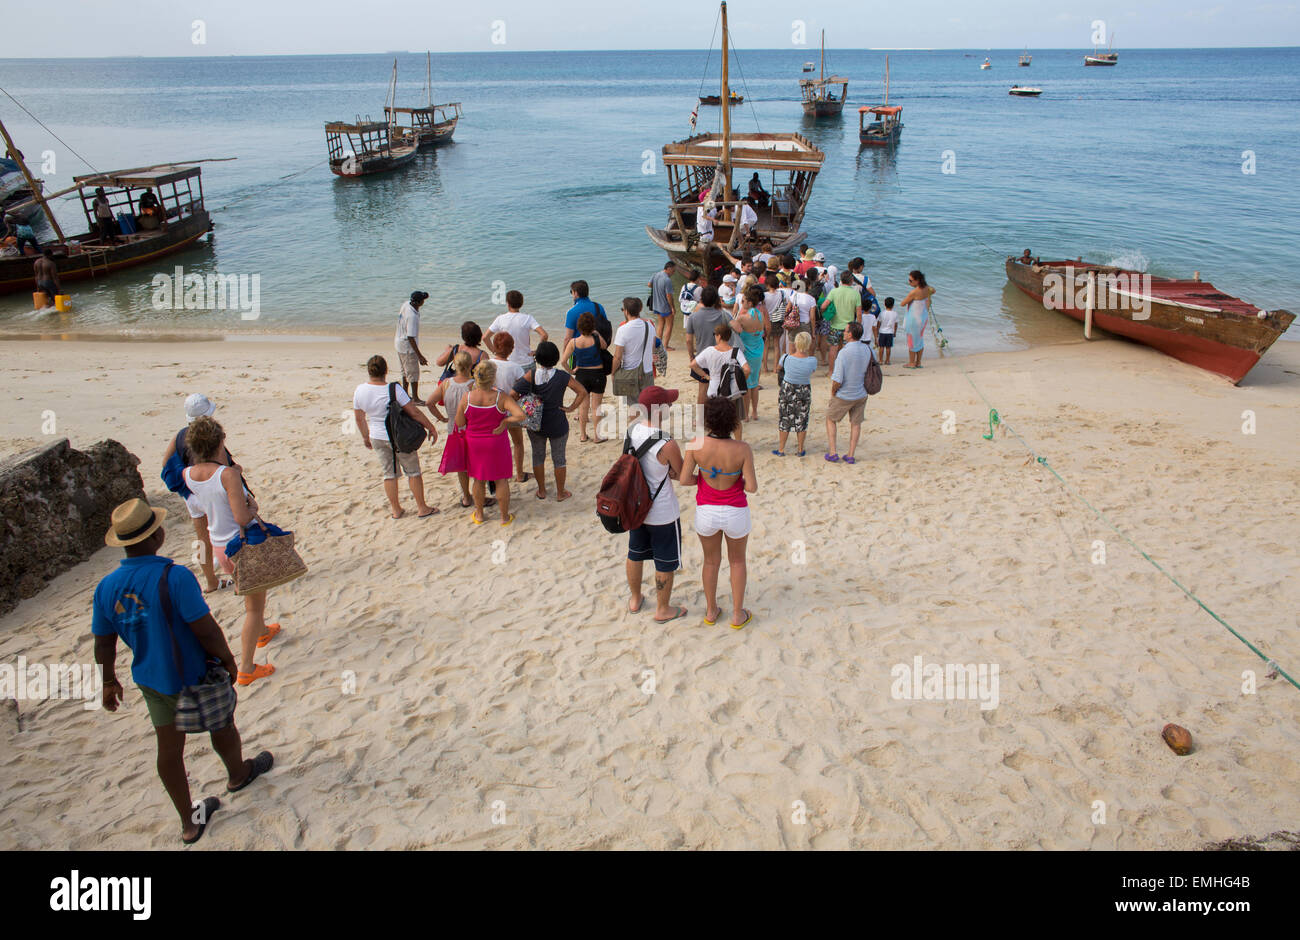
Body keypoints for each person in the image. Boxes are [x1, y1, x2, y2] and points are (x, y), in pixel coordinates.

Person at [93, 497, 273, 845]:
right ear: (155, 537)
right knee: (222, 724)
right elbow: (204, 628)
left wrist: (107, 681)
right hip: (195, 673)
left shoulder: (106, 588)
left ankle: (189, 822)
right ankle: (237, 774)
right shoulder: (173, 576)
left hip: (152, 678)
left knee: (169, 750)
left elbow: (104, 643)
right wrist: (228, 659)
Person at [182, 416, 284, 686]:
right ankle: (247, 667)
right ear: (219, 442)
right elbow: (241, 516)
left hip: (218, 544)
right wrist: (252, 508)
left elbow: (208, 501)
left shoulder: (188, 474)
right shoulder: (227, 475)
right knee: (253, 606)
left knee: (250, 596)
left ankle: (262, 630)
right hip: (240, 545)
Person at [680, 396, 758, 630]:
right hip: (735, 510)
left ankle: (711, 610)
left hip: (707, 510)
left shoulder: (696, 444)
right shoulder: (742, 448)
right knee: (737, 561)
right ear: (733, 421)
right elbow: (752, 487)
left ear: (708, 421)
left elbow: (684, 479)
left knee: (711, 562)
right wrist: (735, 480)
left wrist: (704, 479)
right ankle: (737, 614)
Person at [161, 393, 236, 594]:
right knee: (228, 532)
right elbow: (225, 466)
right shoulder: (211, 438)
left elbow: (165, 463)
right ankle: (238, 574)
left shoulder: (180, 436)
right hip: (210, 490)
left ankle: (210, 580)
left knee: (201, 539)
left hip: (191, 492)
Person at [625, 385, 687, 622]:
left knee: (635, 553)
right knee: (664, 560)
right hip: (661, 510)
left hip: (636, 506)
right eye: (668, 404)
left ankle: (635, 598)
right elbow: (682, 475)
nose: (671, 406)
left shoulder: (632, 431)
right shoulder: (666, 442)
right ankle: (663, 609)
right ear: (660, 410)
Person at [353, 354, 441, 519]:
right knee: (413, 471)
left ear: (369, 371)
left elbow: (359, 418)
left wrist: (366, 437)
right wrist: (430, 427)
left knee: (389, 474)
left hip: (377, 436)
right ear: (385, 371)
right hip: (398, 436)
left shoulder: (360, 390)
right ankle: (422, 507)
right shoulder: (393, 389)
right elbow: (414, 412)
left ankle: (396, 509)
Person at [456, 361, 527, 526]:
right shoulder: (500, 397)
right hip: (496, 442)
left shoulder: (467, 397)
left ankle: (479, 515)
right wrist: (505, 421)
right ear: (493, 378)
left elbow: (460, 422)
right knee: (501, 479)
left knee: (478, 479)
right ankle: (504, 517)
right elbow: (521, 415)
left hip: (474, 442)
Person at [513, 341, 586, 501]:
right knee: (559, 458)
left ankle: (542, 491)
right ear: (555, 358)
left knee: (538, 456)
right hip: (557, 422)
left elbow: (513, 393)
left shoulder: (531, 375)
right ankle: (560, 493)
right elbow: (582, 392)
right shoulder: (562, 376)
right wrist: (571, 408)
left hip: (536, 423)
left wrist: (523, 408)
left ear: (537, 358)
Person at [427, 350, 477, 508]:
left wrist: (441, 417)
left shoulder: (446, 383)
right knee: (474, 463)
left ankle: (466, 496)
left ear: (455, 365)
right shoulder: (473, 385)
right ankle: (476, 494)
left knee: (461, 465)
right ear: (470, 366)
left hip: (453, 428)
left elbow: (429, 402)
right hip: (471, 428)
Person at [690, 321, 750, 441]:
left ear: (719, 336)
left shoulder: (709, 351)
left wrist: (706, 376)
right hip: (731, 391)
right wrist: (739, 381)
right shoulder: (735, 351)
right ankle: (738, 442)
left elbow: (693, 365)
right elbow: (747, 369)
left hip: (714, 390)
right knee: (736, 419)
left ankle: (714, 442)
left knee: (713, 419)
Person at [824, 321, 872, 464]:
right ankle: (851, 454)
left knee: (830, 419)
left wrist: (833, 392)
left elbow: (837, 379)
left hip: (845, 394)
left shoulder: (844, 352)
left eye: (845, 331)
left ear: (850, 334)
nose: (843, 333)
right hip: (861, 392)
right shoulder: (867, 349)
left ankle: (833, 452)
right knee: (856, 423)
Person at [561, 310, 609, 443]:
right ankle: (597, 436)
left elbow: (563, 361)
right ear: (593, 326)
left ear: (579, 327)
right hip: (598, 374)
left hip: (582, 375)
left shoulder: (574, 342)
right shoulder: (596, 337)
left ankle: (583, 435)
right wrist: (597, 333)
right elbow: (604, 346)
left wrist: (571, 371)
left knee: (583, 407)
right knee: (596, 407)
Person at [488, 332, 529, 484]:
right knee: (518, 442)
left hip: (492, 410)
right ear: (511, 349)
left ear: (494, 347)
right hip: (512, 411)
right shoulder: (516, 367)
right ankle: (519, 474)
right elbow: (521, 390)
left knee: (493, 445)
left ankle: (495, 474)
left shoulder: (488, 364)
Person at [774, 330, 817, 457]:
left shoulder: (786, 357)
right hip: (804, 389)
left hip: (787, 388)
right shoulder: (812, 360)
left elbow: (778, 368)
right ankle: (800, 449)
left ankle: (781, 449)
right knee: (802, 418)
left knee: (784, 418)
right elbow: (812, 371)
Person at [485, 290, 547, 369]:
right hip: (526, 362)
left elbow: (485, 337)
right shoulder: (528, 318)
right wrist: (537, 351)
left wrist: (495, 351)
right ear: (521, 304)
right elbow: (544, 335)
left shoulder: (500, 319)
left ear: (508, 303)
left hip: (507, 363)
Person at [611, 297, 656, 405]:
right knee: (648, 405)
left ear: (626, 311)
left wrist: (613, 373)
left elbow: (617, 357)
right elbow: (652, 348)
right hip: (647, 372)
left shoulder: (623, 330)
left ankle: (636, 422)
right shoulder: (650, 325)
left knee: (633, 408)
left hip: (629, 373)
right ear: (639, 309)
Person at [731, 287, 766, 422]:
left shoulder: (743, 318)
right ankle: (755, 412)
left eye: (744, 300)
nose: (742, 302)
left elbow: (733, 327)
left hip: (747, 352)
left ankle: (745, 414)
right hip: (758, 349)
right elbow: (763, 330)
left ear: (750, 303)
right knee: (755, 383)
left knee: (746, 385)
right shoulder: (760, 314)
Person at [819, 271, 863, 373]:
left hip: (834, 325)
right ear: (852, 281)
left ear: (841, 280)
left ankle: (831, 372)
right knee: (846, 350)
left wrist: (826, 314)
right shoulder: (855, 294)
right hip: (849, 328)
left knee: (833, 349)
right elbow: (859, 313)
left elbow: (823, 306)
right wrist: (859, 327)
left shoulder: (834, 291)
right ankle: (845, 372)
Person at [394, 290, 430, 401]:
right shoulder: (412, 316)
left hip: (399, 343)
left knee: (405, 371)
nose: (424, 301)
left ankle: (404, 394)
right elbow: (410, 337)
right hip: (407, 347)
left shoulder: (406, 304)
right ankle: (415, 398)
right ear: (418, 302)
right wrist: (420, 356)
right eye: (423, 300)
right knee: (413, 373)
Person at [900, 270, 936, 369]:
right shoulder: (927, 289)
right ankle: (918, 362)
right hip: (923, 318)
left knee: (911, 340)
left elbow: (902, 303)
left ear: (917, 281)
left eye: (911, 281)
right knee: (919, 339)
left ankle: (912, 363)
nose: (909, 282)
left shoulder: (914, 292)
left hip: (914, 319)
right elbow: (934, 290)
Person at [562, 280, 611, 351]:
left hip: (579, 351)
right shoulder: (599, 307)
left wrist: (564, 353)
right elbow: (606, 328)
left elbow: (567, 338)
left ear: (575, 293)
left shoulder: (571, 312)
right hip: (597, 350)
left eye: (571, 292)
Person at [647, 260, 677, 351]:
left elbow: (649, 285)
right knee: (669, 325)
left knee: (660, 324)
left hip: (656, 305)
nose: (674, 273)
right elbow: (669, 296)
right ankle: (666, 346)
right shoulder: (667, 280)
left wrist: (657, 288)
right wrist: (672, 307)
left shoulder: (656, 275)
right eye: (673, 270)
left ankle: (658, 345)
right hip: (665, 306)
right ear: (668, 268)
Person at [877, 296, 898, 365]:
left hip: (882, 332)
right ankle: (888, 360)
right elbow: (896, 324)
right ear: (893, 305)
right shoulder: (895, 313)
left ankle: (880, 360)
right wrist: (895, 332)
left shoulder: (882, 313)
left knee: (881, 347)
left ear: (884, 304)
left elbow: (879, 323)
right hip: (890, 332)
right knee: (888, 347)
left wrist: (877, 331)